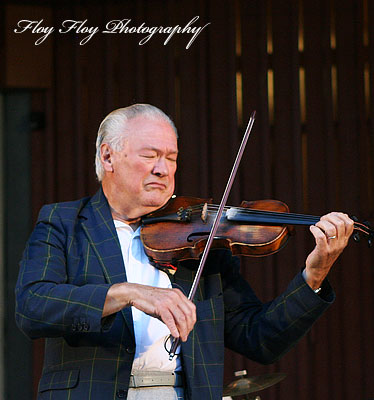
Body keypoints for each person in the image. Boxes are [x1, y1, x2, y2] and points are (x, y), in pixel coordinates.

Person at [15, 104, 354, 400]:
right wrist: (128, 293)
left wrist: (315, 274)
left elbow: (260, 339)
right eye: (150, 156)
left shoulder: (200, 242)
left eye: (171, 158)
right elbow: (33, 306)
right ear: (108, 156)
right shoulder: (65, 222)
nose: (163, 169)